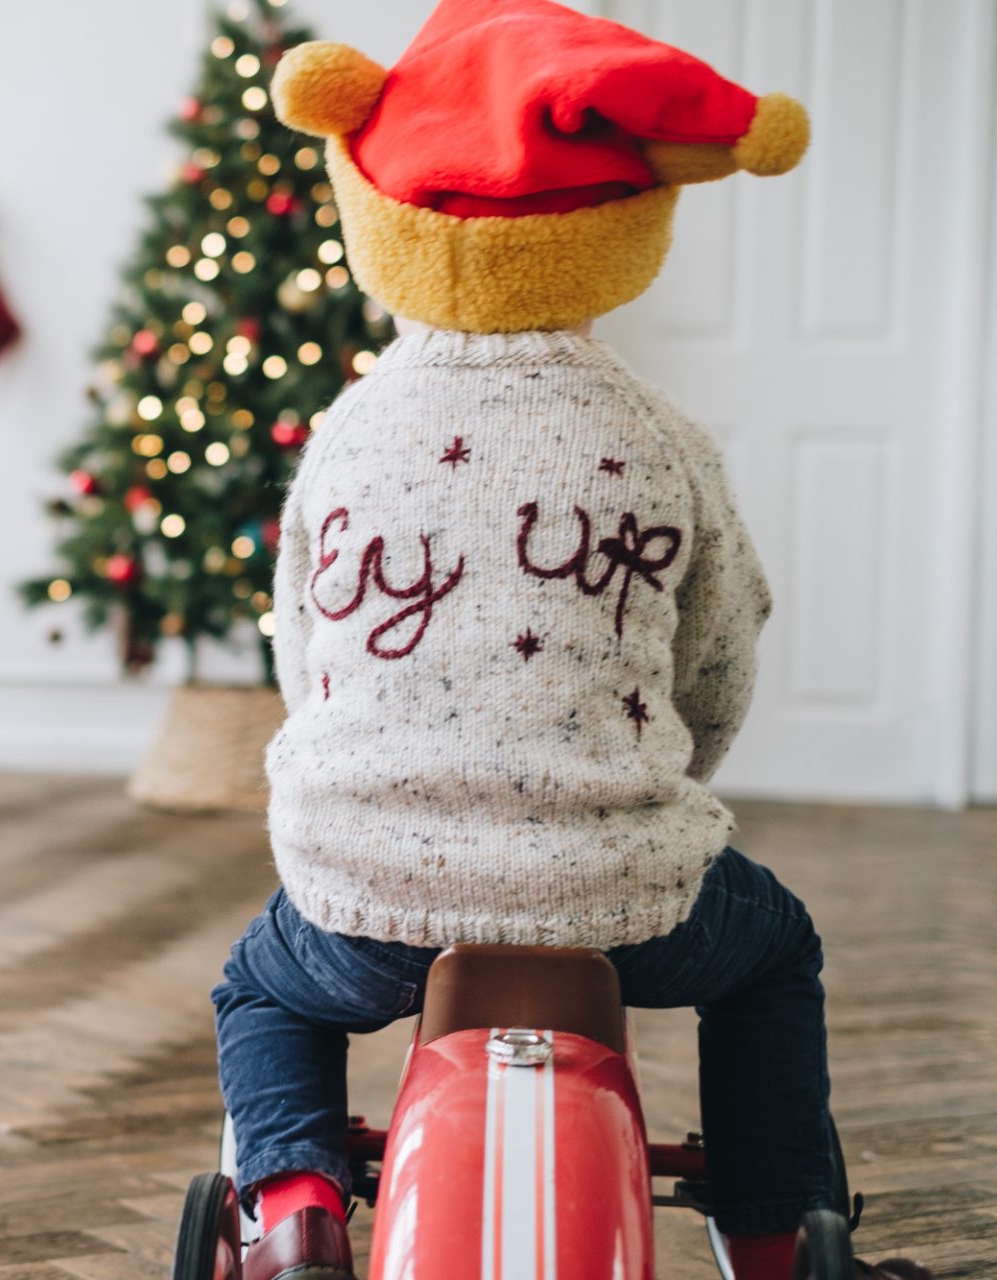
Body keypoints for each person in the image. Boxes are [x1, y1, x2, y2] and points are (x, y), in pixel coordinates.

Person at [211, 2, 930, 1277]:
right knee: (774, 953)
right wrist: (664, 776)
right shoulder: (660, 439)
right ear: (625, 224)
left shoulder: (349, 435)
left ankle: (293, 1207)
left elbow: (300, 645)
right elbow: (718, 656)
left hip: (369, 887)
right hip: (617, 889)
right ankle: (773, 1226)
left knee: (262, 987)